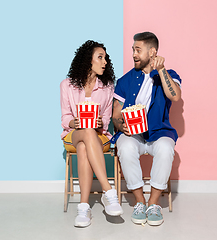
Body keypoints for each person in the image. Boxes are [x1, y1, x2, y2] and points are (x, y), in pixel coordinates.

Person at [111, 32, 182, 226]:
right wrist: (120, 125)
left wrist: (161, 70)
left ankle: (153, 203)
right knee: (124, 147)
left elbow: (175, 96)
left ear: (152, 52)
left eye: (138, 50)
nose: (133, 54)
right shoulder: (124, 81)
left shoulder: (169, 74)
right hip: (133, 135)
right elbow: (115, 115)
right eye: (133, 49)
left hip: (159, 133)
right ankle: (140, 202)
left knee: (167, 148)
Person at [60, 40, 123, 228]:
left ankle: (83, 207)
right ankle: (108, 192)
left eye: (105, 58)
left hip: (99, 136)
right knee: (84, 133)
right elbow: (65, 118)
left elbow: (106, 120)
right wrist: (74, 122)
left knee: (83, 146)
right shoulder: (67, 85)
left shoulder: (108, 86)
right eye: (100, 57)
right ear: (88, 60)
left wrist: (100, 122)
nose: (105, 62)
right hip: (73, 134)